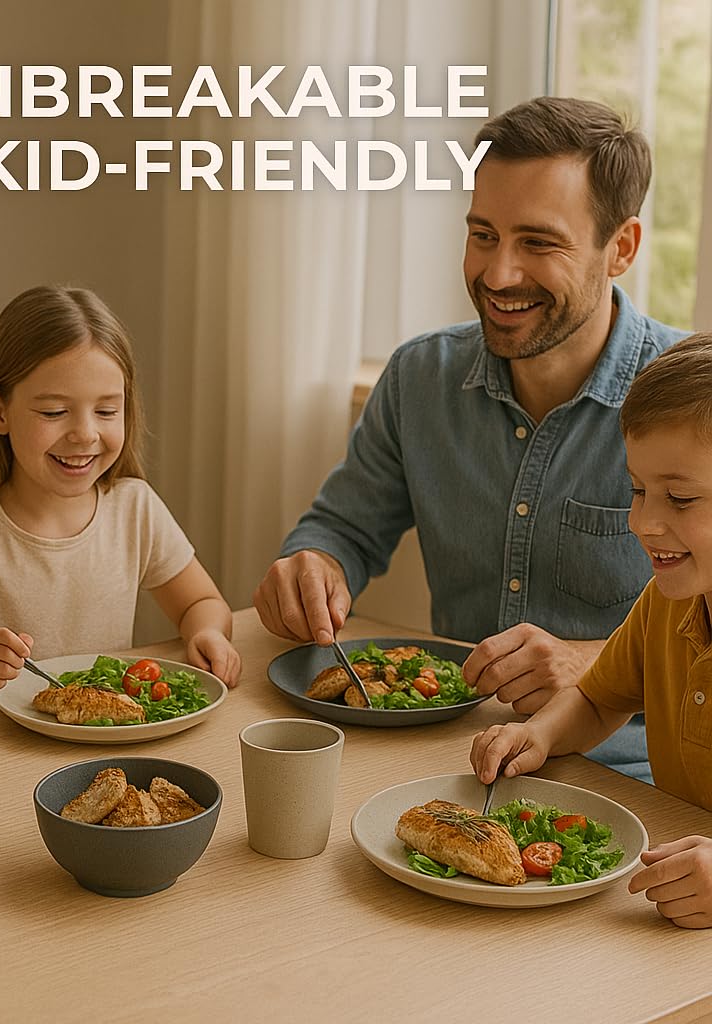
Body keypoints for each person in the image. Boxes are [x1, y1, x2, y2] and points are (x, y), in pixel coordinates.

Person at [253, 96, 686, 780]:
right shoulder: (420, 376)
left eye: (537, 243)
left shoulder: (696, 405)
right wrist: (315, 565)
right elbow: (343, 530)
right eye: (483, 234)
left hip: (634, 777)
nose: (498, 274)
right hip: (446, 754)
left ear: (621, 248)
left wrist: (595, 663)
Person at [470, 334, 712, 928]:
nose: (644, 522)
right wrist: (541, 735)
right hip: (667, 902)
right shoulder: (665, 603)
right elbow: (597, 698)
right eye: (637, 490)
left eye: (679, 498)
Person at [0, 284, 241, 695]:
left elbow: (201, 603)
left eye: (107, 411)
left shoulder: (134, 508)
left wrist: (208, 634)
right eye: (55, 412)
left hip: (106, 740)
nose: (85, 434)